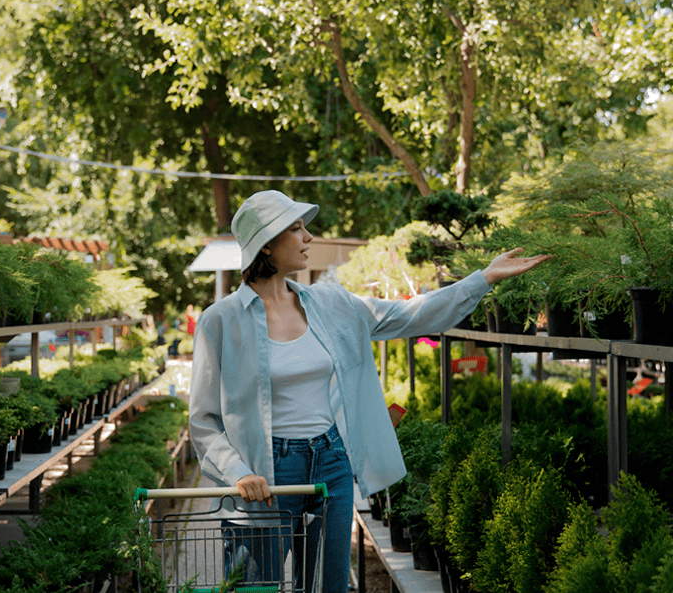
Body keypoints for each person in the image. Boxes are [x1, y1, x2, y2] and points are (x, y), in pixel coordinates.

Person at [188, 190, 549, 593]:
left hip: (331, 463)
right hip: (263, 477)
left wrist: (482, 279)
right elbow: (202, 420)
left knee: (329, 588)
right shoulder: (220, 321)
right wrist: (238, 473)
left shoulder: (330, 303)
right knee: (253, 588)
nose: (308, 237)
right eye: (297, 228)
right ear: (267, 244)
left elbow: (410, 315)